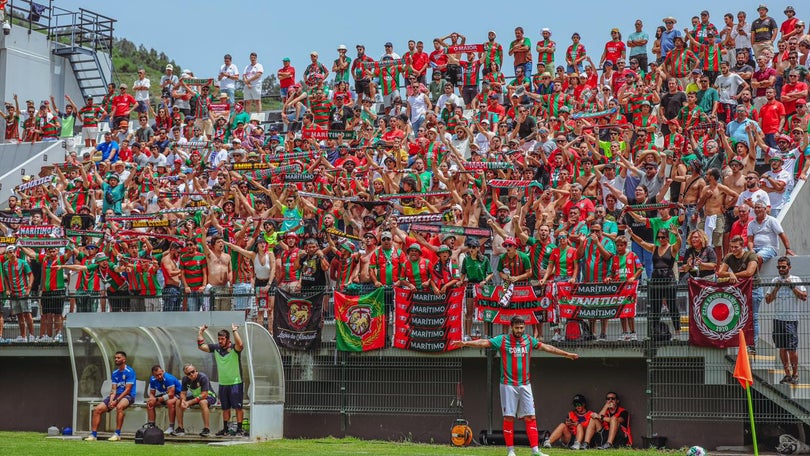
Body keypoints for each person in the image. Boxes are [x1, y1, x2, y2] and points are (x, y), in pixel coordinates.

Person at [452, 316, 579, 456]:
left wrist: (566, 354)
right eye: (517, 328)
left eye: (522, 328)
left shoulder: (529, 340)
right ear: (511, 327)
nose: (519, 330)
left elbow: (547, 347)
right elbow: (484, 342)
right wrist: (465, 343)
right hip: (508, 385)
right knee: (508, 418)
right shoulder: (503, 340)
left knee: (531, 417)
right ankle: (510, 451)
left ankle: (535, 450)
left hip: (525, 385)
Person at [628, 223, 682, 340]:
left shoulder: (672, 248)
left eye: (663, 237)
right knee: (655, 308)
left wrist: (677, 235)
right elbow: (642, 242)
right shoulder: (654, 248)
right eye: (659, 237)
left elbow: (679, 244)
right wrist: (632, 234)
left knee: (672, 307)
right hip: (656, 280)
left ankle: (677, 333)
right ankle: (654, 332)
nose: (661, 239)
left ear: (667, 238)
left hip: (669, 280)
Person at [197, 324, 246, 437]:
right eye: (218, 339)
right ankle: (225, 429)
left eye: (222, 339)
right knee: (225, 408)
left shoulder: (234, 348)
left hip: (236, 382)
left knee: (238, 407)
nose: (220, 341)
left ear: (227, 339)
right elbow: (201, 346)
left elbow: (240, 344)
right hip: (223, 383)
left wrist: (235, 331)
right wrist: (200, 332)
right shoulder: (216, 348)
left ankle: (239, 429)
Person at [765, 257, 807, 385]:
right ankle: (787, 374)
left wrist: (792, 287)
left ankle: (795, 374)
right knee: (782, 348)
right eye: (779, 267)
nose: (781, 269)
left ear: (789, 267)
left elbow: (804, 297)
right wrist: (776, 288)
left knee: (792, 349)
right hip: (778, 319)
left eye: (784, 267)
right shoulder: (774, 280)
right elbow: (768, 300)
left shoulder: (796, 279)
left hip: (791, 319)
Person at [717, 235, 761, 353]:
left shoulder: (751, 255)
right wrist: (729, 274)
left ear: (743, 246)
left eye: (736, 247)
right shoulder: (729, 256)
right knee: (739, 317)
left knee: (753, 317)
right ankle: (739, 343)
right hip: (739, 290)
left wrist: (733, 274)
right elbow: (720, 272)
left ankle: (753, 345)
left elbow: (749, 272)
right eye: (731, 247)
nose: (733, 249)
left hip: (754, 289)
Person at [85, 351, 135, 441]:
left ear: (124, 359)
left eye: (118, 358)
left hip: (128, 395)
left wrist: (116, 401)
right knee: (97, 409)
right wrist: (112, 400)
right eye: (115, 358)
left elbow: (127, 390)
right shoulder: (115, 373)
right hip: (116, 396)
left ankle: (117, 434)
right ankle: (93, 435)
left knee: (119, 407)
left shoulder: (130, 371)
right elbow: (114, 390)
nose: (116, 359)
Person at [174, 363, 217, 437]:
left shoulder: (203, 377)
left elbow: (204, 394)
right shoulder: (185, 379)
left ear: (196, 370)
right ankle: (180, 428)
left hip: (209, 395)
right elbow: (183, 393)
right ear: (185, 374)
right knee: (178, 401)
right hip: (196, 395)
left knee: (202, 402)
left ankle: (207, 429)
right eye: (188, 373)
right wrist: (183, 401)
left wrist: (189, 403)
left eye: (193, 372)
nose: (191, 374)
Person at [146, 364, 181, 435]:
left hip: (177, 394)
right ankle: (151, 425)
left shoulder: (168, 378)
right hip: (165, 394)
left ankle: (171, 427)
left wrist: (156, 399)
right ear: (153, 375)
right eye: (156, 375)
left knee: (170, 402)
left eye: (160, 374)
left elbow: (171, 394)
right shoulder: (152, 379)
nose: (159, 376)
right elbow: (152, 393)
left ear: (162, 371)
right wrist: (151, 399)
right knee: (150, 403)